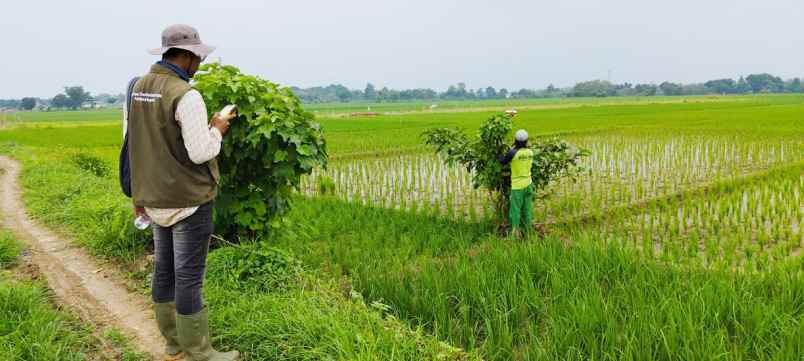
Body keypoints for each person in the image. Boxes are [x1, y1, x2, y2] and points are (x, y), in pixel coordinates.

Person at [125, 24, 238, 361]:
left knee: (164, 270)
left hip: (154, 197)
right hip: (188, 200)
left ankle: (173, 342)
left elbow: (131, 143)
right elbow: (201, 152)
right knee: (188, 276)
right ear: (187, 57)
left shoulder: (138, 88)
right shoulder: (186, 95)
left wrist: (137, 193)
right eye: (198, 58)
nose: (199, 64)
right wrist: (217, 129)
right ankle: (200, 351)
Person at [499, 129, 534, 237]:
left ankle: (514, 234)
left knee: (515, 211)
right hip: (528, 185)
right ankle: (528, 232)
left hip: (518, 187)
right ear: (526, 141)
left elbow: (502, 160)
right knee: (527, 210)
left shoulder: (513, 153)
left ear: (516, 140)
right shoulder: (530, 152)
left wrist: (498, 153)